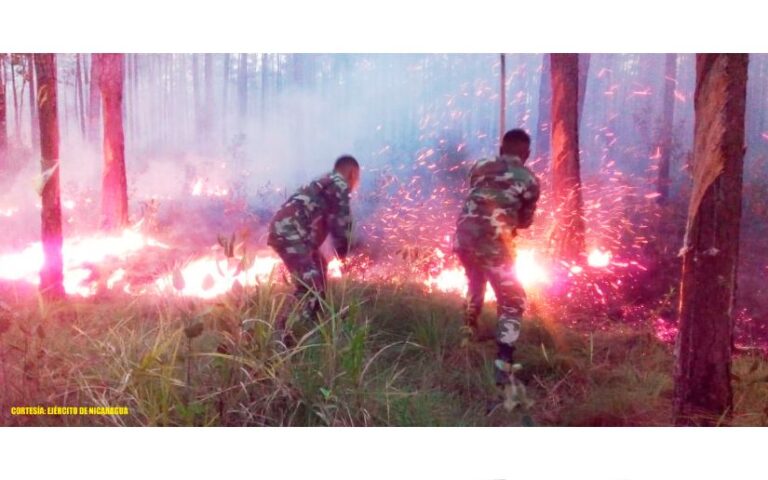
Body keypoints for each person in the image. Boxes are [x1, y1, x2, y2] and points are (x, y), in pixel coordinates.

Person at [453, 129, 540, 386]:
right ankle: (504, 362)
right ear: (526, 154)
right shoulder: (529, 179)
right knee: (513, 300)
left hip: (463, 238)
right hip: (493, 244)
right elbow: (524, 222)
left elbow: (477, 193)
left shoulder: (480, 166)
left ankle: (466, 334)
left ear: (501, 149)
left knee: (475, 283)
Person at [268, 155, 360, 327]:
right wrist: (347, 251)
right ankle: (286, 333)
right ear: (352, 173)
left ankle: (314, 320)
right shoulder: (339, 184)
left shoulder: (325, 181)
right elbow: (340, 223)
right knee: (309, 285)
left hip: (292, 232)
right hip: (290, 232)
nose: (356, 184)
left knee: (319, 266)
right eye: (357, 178)